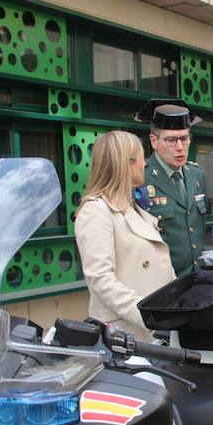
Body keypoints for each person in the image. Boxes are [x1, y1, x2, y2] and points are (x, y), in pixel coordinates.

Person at [75, 130, 176, 342]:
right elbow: (101, 280)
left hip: (156, 329)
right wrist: (148, 315)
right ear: (126, 163)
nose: (145, 164)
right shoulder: (96, 210)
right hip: (127, 333)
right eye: (141, 158)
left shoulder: (133, 207)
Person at [134, 98, 206, 277]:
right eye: (171, 140)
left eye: (185, 138)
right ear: (154, 141)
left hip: (198, 278)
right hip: (161, 284)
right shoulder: (139, 178)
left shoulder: (197, 174)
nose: (180, 147)